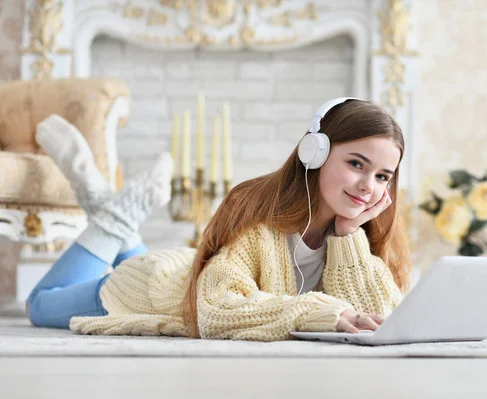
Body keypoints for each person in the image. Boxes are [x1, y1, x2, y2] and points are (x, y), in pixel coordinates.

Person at [26, 97, 411, 341]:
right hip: (151, 290)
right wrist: (319, 312)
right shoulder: (261, 219)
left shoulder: (356, 235)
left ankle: (117, 219)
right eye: (356, 164)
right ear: (316, 153)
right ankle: (111, 218)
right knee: (40, 306)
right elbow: (217, 310)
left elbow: (380, 322)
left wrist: (347, 235)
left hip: (185, 268)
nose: (368, 186)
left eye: (382, 176)